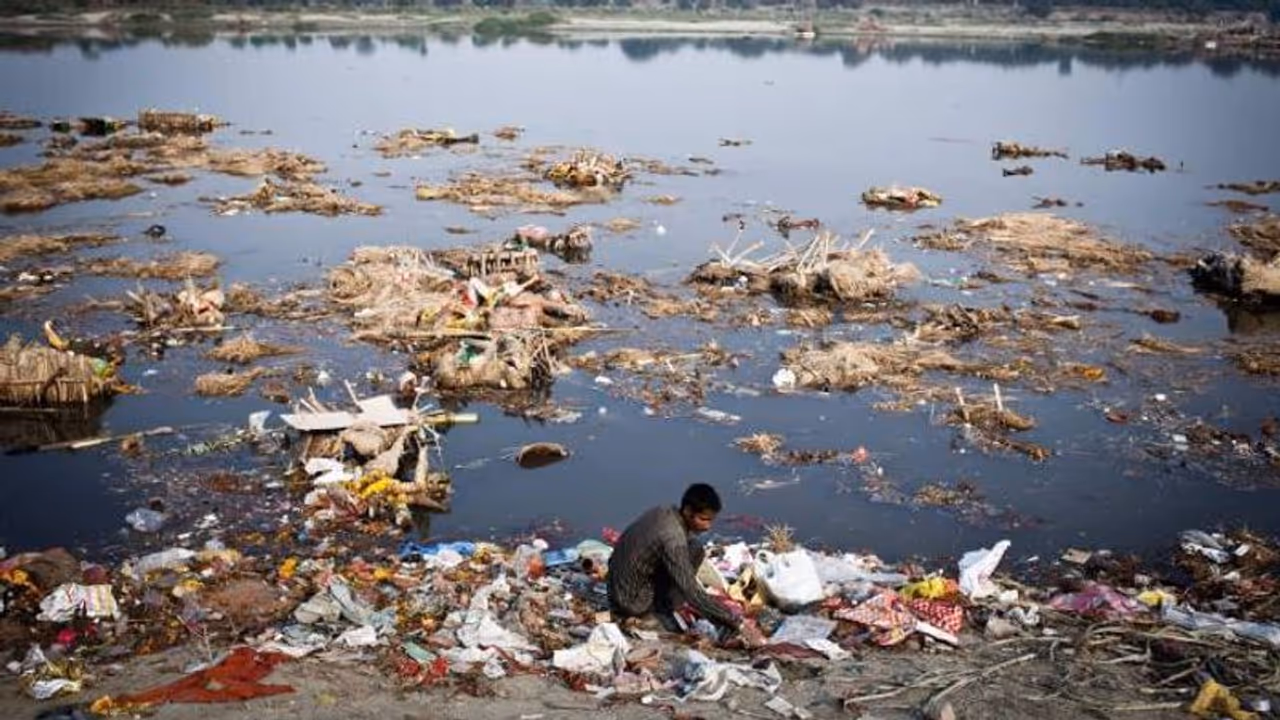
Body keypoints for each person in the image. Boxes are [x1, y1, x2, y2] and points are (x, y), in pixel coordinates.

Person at [607, 483, 764, 646]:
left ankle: (666, 606)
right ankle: (660, 612)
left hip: (617, 585)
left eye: (711, 520)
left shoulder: (663, 511)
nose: (707, 526)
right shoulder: (672, 536)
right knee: (689, 566)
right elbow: (691, 591)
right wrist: (736, 622)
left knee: (695, 548)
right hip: (630, 600)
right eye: (703, 519)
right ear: (688, 511)